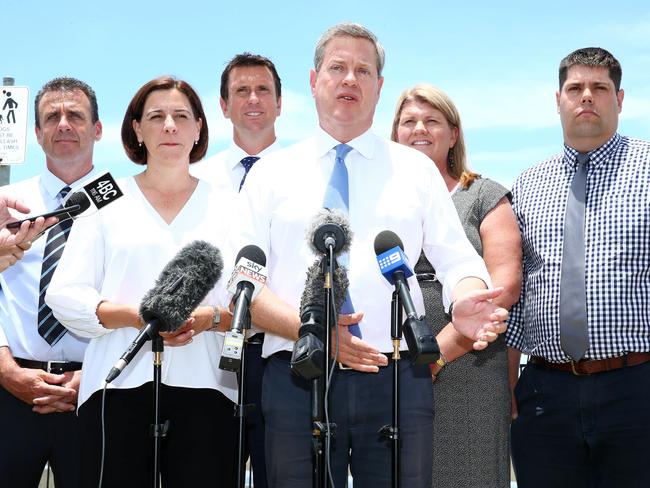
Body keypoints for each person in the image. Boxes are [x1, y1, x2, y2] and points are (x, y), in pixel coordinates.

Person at [231, 22, 509, 488]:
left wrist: (466, 297)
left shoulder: (415, 170)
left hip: (396, 378)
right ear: (314, 79)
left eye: (363, 70)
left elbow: (460, 262)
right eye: (337, 67)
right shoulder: (269, 175)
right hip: (299, 373)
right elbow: (243, 282)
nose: (349, 80)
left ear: (379, 88)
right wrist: (311, 330)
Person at [46, 76, 238, 488]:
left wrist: (208, 318)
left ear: (199, 128)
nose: (169, 125)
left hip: (208, 390)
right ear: (136, 128)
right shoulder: (104, 198)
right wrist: (138, 318)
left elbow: (249, 300)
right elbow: (64, 293)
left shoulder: (231, 202)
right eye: (156, 116)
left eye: (181, 116)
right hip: (117, 390)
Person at [507, 47, 650, 488]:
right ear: (559, 99)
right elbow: (516, 294)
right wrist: (509, 384)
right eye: (575, 88)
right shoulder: (526, 185)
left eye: (599, 88)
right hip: (545, 394)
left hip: (637, 388)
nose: (586, 96)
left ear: (620, 99)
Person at [391, 83, 521, 488]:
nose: (419, 129)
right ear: (394, 132)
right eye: (409, 121)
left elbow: (504, 286)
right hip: (392, 369)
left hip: (471, 367)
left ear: (454, 133)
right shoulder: (378, 200)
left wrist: (437, 355)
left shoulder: (483, 195)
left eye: (432, 120)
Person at [0, 77, 102, 488]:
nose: (63, 124)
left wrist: (94, 375)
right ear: (37, 133)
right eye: (51, 117)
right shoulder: (6, 204)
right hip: (10, 390)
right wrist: (5, 371)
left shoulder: (126, 203)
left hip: (94, 392)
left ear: (97, 129)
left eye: (75, 115)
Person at [192, 51, 282, 488]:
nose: (253, 99)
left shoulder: (306, 173)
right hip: (207, 354)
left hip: (279, 355)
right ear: (224, 105)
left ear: (280, 103)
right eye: (240, 91)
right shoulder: (194, 179)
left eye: (263, 89)